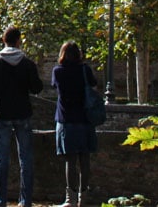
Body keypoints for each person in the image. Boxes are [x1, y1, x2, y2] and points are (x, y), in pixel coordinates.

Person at [0, 26, 44, 207]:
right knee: (26, 159)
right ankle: (25, 201)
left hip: (2, 114)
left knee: (1, 159)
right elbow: (37, 88)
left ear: (4, 41)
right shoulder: (27, 64)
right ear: (18, 41)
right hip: (23, 113)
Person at [50, 41, 99, 207]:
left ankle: (70, 199)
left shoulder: (58, 71)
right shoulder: (85, 70)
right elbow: (93, 84)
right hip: (85, 119)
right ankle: (83, 197)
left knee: (70, 160)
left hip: (66, 119)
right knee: (84, 159)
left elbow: (55, 87)